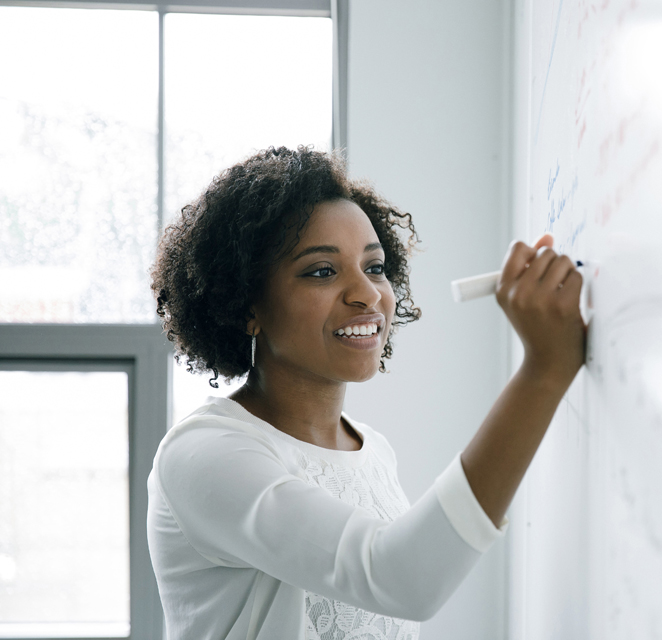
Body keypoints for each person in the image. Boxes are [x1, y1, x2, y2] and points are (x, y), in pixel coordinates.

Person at [146, 146, 585, 640]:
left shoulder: (373, 450)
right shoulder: (205, 454)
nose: (368, 294)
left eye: (374, 267)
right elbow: (399, 578)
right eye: (321, 271)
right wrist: (545, 370)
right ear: (248, 306)